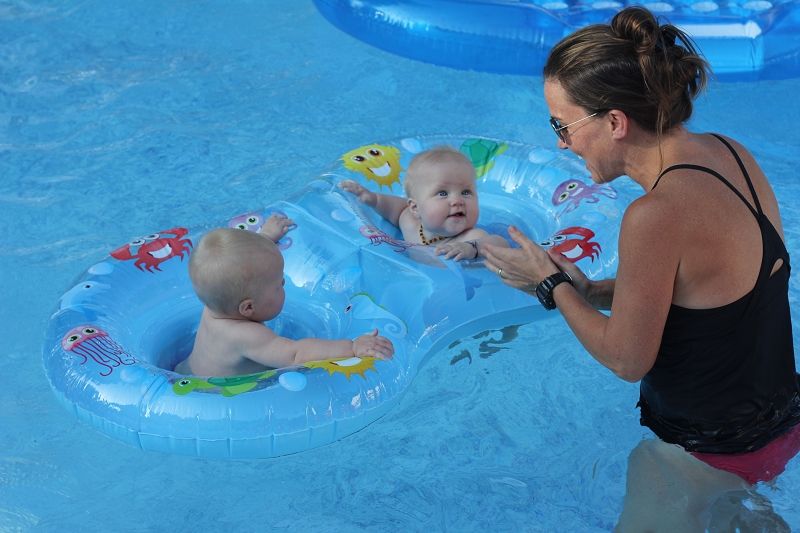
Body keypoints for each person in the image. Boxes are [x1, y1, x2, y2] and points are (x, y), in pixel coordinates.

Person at [480, 6, 800, 530]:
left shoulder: (655, 214)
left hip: (708, 452)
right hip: (780, 422)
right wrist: (595, 289)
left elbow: (626, 359)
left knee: (650, 467)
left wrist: (551, 283)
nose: (559, 142)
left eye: (562, 124)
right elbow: (711, 294)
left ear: (614, 123)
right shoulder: (730, 152)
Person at [174, 216, 394, 376]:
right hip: (216, 395)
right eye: (278, 285)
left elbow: (239, 267)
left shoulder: (218, 302)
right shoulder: (245, 335)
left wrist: (265, 238)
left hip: (185, 371)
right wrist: (352, 347)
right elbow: (295, 355)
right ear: (248, 308)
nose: (284, 283)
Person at [339, 146, 508, 260]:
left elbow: (499, 243)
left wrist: (471, 248)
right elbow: (394, 208)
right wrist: (373, 199)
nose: (457, 200)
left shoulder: (469, 237)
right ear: (415, 207)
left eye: (466, 192)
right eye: (442, 193)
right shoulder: (409, 221)